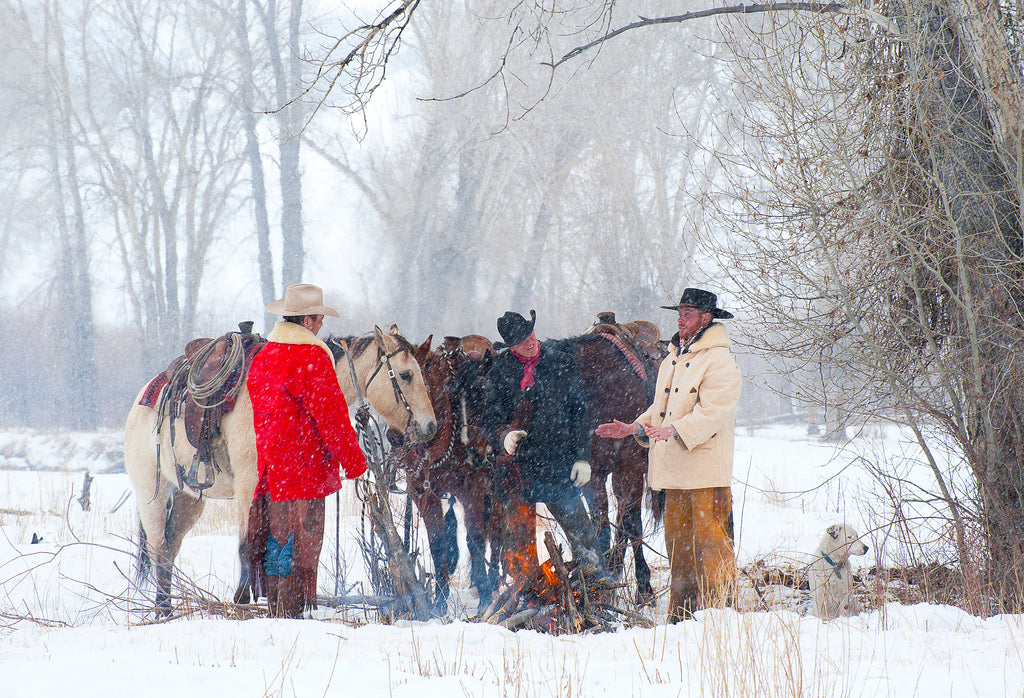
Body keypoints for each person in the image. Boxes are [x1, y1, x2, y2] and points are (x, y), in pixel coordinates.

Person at [596, 288, 742, 621]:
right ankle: (683, 616)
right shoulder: (673, 358)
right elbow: (659, 411)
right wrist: (634, 428)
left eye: (687, 313)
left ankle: (722, 616)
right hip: (674, 472)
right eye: (679, 313)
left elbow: (714, 412)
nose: (680, 319)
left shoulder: (719, 360)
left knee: (712, 543)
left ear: (706, 318)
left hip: (705, 473)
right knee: (679, 546)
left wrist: (676, 430)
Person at [246, 283, 367, 618]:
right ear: (309, 320)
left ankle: (278, 605)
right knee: (305, 540)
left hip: (272, 468)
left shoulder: (264, 356)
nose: (322, 326)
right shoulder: (310, 357)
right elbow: (333, 419)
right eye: (319, 319)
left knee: (278, 536)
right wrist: (355, 464)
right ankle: (297, 608)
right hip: (305, 467)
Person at [481, 309, 605, 582]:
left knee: (584, 539)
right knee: (520, 551)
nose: (530, 341)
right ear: (511, 346)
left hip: (558, 464)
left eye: (530, 333)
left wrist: (583, 457)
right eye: (521, 340)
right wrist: (504, 437)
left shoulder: (560, 362)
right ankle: (528, 597)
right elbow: (488, 421)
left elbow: (579, 413)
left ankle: (597, 587)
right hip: (518, 472)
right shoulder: (499, 372)